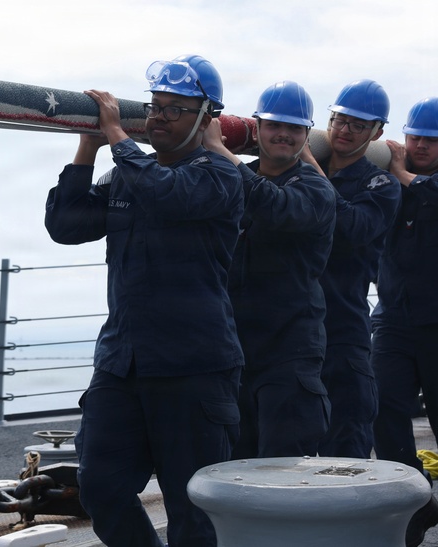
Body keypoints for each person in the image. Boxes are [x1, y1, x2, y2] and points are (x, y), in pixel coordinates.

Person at [46, 55, 244, 547]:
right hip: (123, 363)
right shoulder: (130, 175)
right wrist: (88, 146)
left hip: (193, 368)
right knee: (100, 486)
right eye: (155, 106)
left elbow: (168, 195)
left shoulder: (219, 175)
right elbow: (66, 225)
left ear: (206, 118)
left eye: (175, 109)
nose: (159, 117)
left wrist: (117, 135)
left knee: (193, 509)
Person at [202, 81, 335, 459]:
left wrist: (218, 149)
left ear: (306, 135)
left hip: (290, 350)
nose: (283, 134)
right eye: (274, 125)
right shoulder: (234, 177)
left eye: (294, 128)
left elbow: (273, 206)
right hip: (234, 349)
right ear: (257, 127)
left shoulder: (316, 190)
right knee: (232, 465)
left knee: (283, 466)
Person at [298, 80, 400, 458]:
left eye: (358, 125)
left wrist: (309, 166)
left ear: (377, 133)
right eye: (339, 121)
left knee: (346, 447)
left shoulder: (380, 184)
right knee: (286, 451)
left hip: (343, 331)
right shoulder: (301, 168)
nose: (344, 130)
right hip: (293, 330)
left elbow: (353, 227)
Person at [372, 96, 438, 547]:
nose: (420, 146)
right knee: (383, 407)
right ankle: (414, 501)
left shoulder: (414, 181)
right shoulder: (390, 178)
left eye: (431, 140)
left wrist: (402, 173)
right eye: (414, 137)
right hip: (394, 319)